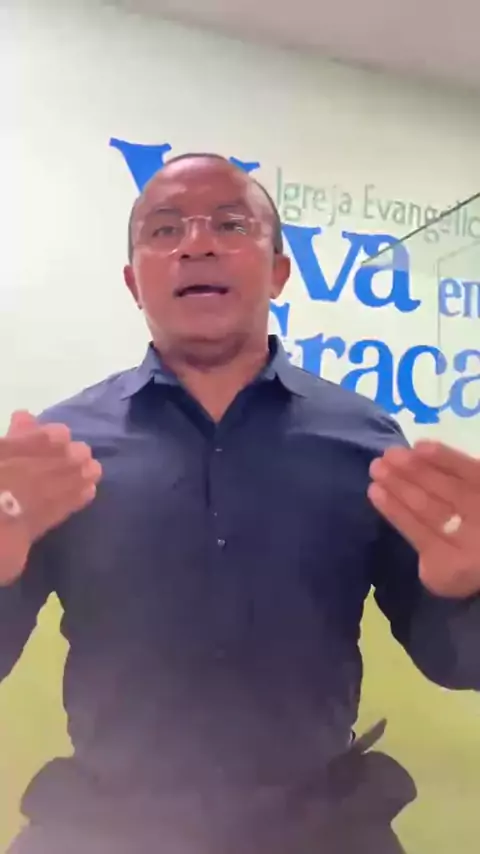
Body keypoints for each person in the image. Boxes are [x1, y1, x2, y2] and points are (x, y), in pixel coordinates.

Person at [1, 152, 479, 854]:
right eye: (165, 230)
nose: (196, 243)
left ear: (279, 271)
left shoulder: (366, 441)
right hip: (106, 827)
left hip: (323, 828)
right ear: (134, 282)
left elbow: (457, 663)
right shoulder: (60, 451)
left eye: (230, 224)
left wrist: (467, 590)